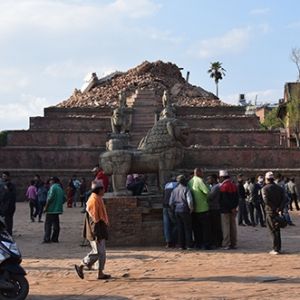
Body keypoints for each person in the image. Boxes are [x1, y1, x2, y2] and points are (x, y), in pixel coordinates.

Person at [75, 180, 111, 280]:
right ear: (99, 190)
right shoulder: (94, 201)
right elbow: (95, 220)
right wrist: (97, 235)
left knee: (101, 253)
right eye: (103, 188)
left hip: (99, 229)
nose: (104, 190)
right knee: (97, 252)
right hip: (96, 231)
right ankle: (82, 264)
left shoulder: (98, 199)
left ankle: (100, 273)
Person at [261, 171, 285, 255]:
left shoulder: (265, 188)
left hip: (270, 212)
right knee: (277, 230)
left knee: (272, 230)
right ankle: (278, 247)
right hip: (277, 211)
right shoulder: (279, 188)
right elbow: (284, 199)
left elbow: (266, 201)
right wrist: (279, 208)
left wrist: (274, 209)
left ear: (266, 179)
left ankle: (275, 249)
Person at [188, 168, 211, 250]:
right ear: (198, 172)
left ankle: (198, 243)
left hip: (194, 209)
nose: (203, 174)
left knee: (196, 229)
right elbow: (207, 192)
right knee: (205, 228)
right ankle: (206, 244)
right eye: (202, 172)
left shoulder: (190, 182)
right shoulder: (200, 181)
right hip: (203, 208)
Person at [169, 175, 194, 250]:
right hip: (185, 210)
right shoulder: (186, 189)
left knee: (180, 228)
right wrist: (191, 209)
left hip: (177, 210)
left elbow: (170, 202)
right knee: (187, 228)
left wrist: (174, 209)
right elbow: (190, 201)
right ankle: (189, 245)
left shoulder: (174, 190)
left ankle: (181, 245)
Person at [219, 170, 239, 250]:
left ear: (222, 177)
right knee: (233, 227)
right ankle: (234, 243)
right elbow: (237, 198)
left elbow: (224, 199)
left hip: (225, 209)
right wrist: (234, 207)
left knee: (225, 227)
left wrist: (230, 207)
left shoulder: (223, 186)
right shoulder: (233, 185)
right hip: (233, 209)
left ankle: (226, 243)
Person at [43, 176, 66, 243]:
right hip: (57, 209)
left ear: (53, 181)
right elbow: (64, 199)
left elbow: (49, 198)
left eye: (50, 180)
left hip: (51, 209)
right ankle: (55, 238)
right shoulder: (60, 188)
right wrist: (58, 204)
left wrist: (46, 207)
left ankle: (47, 238)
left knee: (48, 225)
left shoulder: (53, 187)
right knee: (56, 224)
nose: (49, 182)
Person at [207, 174, 223, 248]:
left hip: (215, 208)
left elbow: (210, 196)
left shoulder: (216, 187)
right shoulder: (213, 187)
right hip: (213, 208)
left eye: (209, 179)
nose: (208, 181)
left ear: (214, 179)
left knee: (216, 226)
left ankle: (217, 242)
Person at [162, 176, 178, 248]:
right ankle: (174, 241)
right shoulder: (177, 185)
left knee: (166, 224)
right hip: (172, 206)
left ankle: (168, 242)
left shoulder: (167, 185)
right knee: (176, 223)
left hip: (165, 206)